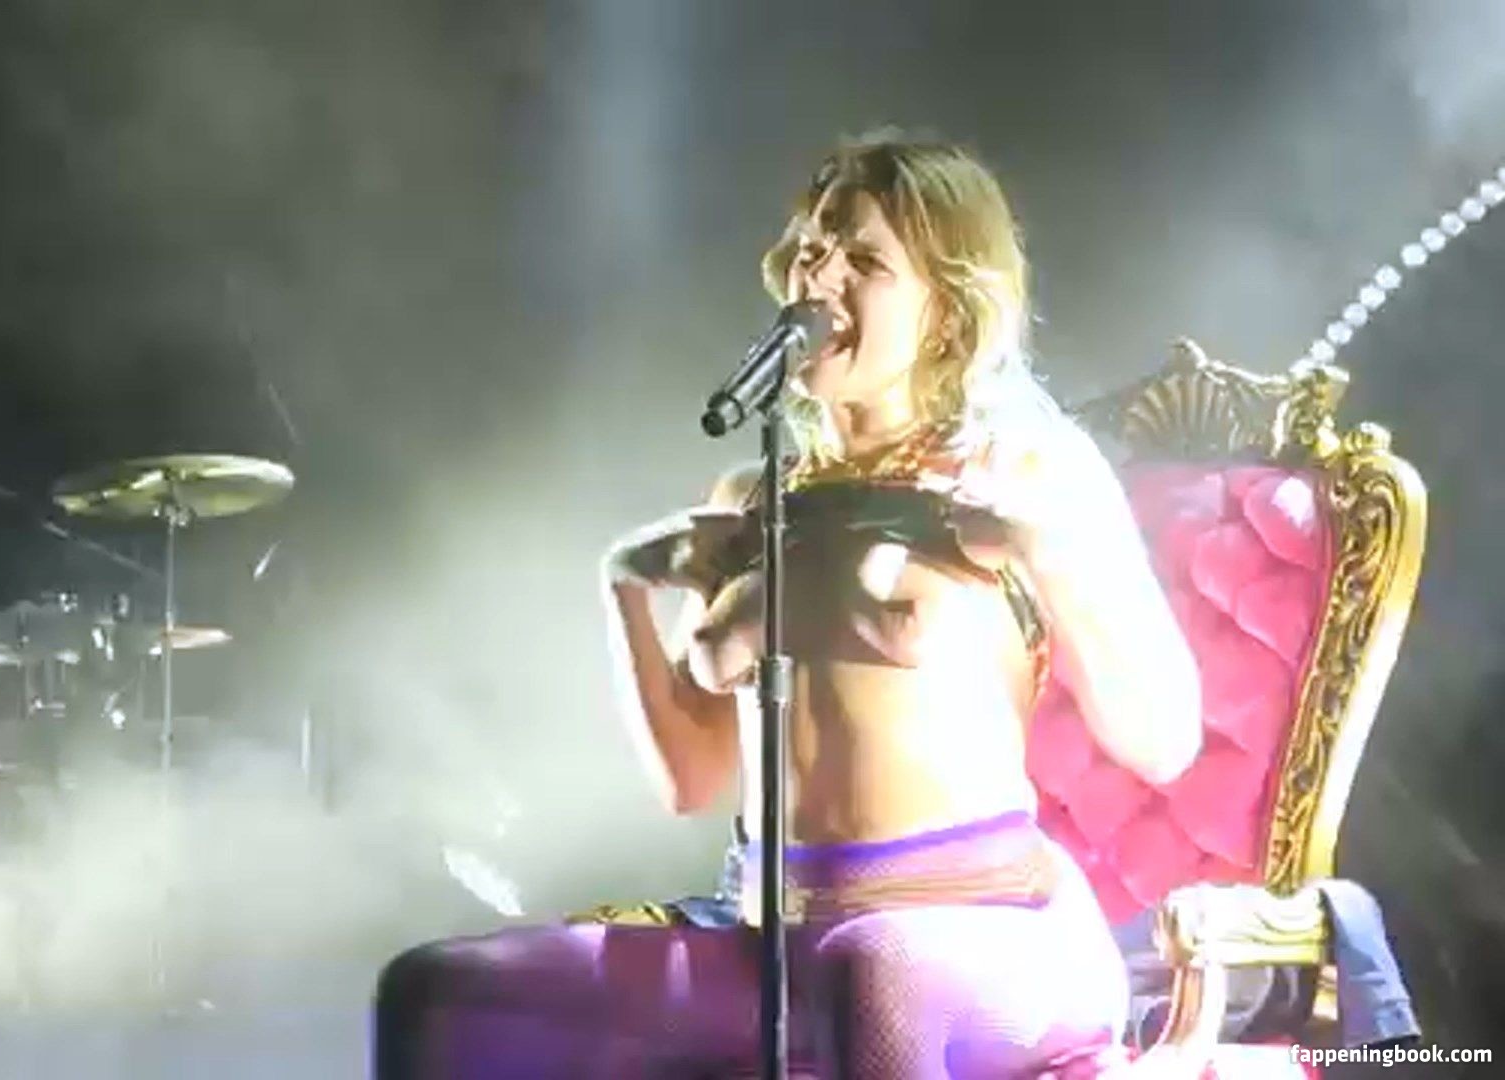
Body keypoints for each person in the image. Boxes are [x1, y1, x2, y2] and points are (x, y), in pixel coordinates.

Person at [372, 131, 1203, 1078]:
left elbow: (1164, 741)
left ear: (947, 308)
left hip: (986, 931)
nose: (822, 279)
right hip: (771, 934)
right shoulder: (756, 497)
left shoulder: (1020, 468)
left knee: (871, 969)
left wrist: (1045, 548)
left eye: (866, 262)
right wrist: (626, 586)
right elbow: (691, 781)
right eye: (812, 250)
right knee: (435, 991)